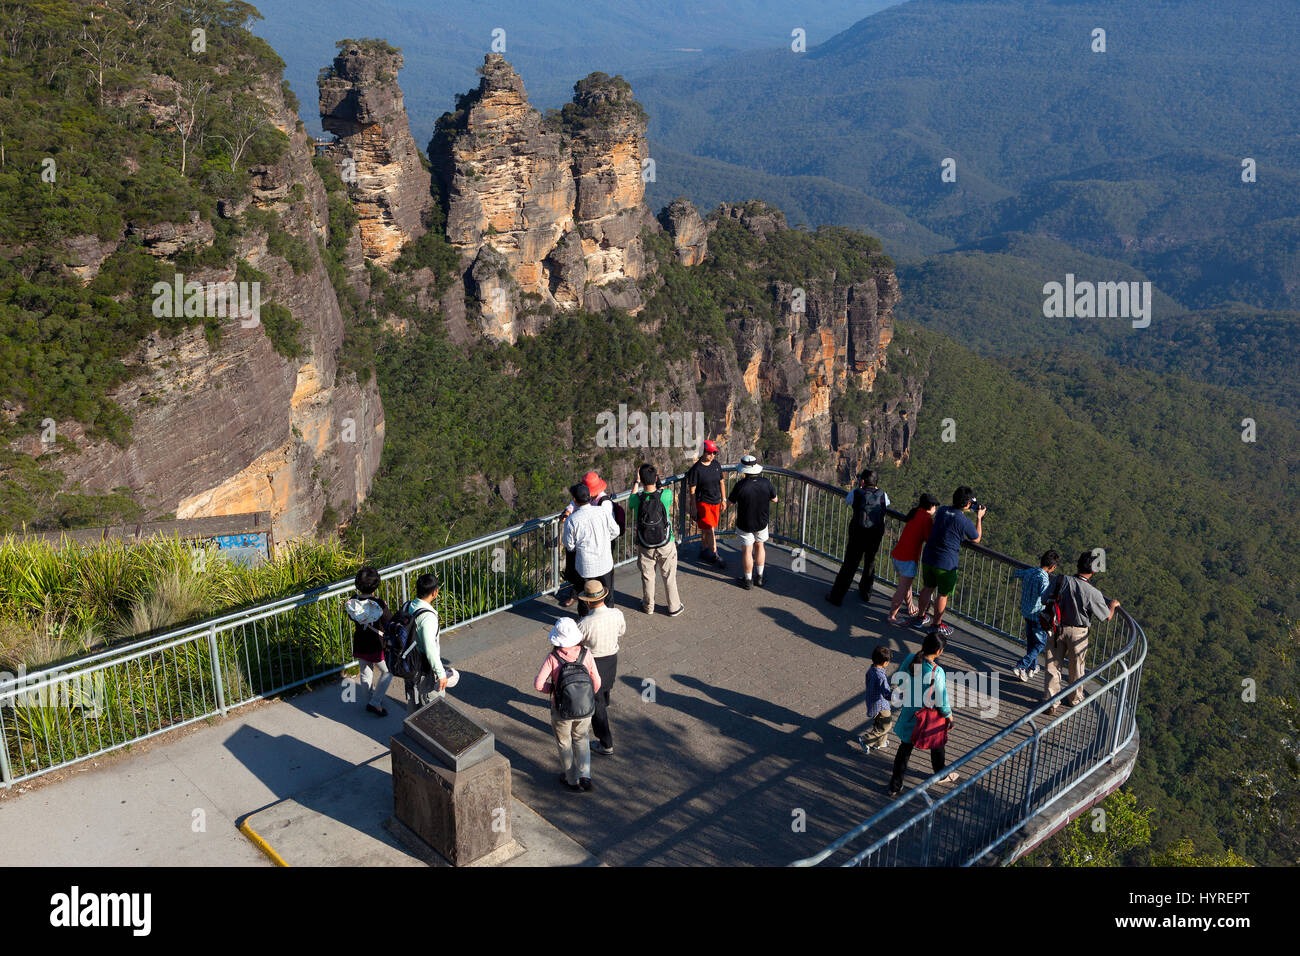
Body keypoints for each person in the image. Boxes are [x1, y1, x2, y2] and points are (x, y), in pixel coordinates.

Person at [1044, 551, 1121, 715]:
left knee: (1052, 665)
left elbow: (1045, 598)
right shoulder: (1093, 592)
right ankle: (1074, 699)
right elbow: (1106, 617)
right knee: (1077, 667)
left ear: (1077, 565)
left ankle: (1051, 702)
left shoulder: (1060, 580)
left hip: (1056, 627)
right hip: (1078, 633)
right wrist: (1113, 605)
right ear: (1093, 571)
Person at [534, 617, 602, 792]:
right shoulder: (586, 654)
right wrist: (586, 695)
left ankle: (571, 779)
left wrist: (555, 689)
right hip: (585, 709)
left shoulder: (553, 658)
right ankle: (585, 775)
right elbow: (597, 682)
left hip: (561, 710)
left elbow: (538, 684)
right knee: (582, 738)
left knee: (564, 742)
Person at [888, 632, 961, 795]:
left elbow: (900, 681)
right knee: (938, 743)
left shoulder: (910, 659)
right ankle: (940, 773)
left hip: (910, 712)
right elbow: (941, 699)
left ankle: (895, 785)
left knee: (904, 749)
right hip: (928, 717)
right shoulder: (937, 671)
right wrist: (949, 716)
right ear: (939, 651)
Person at [911, 486, 986, 639]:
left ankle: (920, 617)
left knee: (927, 588)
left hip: (929, 556)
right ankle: (936, 625)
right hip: (946, 563)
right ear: (967, 504)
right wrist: (979, 517)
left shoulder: (942, 510)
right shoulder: (963, 520)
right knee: (942, 595)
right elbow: (976, 538)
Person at [826, 469, 890, 606]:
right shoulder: (883, 495)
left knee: (849, 565)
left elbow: (848, 502)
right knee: (870, 563)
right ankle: (866, 593)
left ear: (862, 481)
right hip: (875, 536)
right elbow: (886, 506)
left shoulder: (855, 493)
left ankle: (836, 597)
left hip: (858, 535)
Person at [576, 579, 626, 755]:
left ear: (588, 602)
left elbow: (577, 643)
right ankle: (605, 703)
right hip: (611, 658)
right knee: (605, 687)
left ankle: (606, 743)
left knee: (597, 703)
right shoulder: (617, 614)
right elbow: (622, 631)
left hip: (593, 663)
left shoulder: (584, 623)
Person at [628, 463, 684, 616]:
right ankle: (674, 607)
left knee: (648, 577)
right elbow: (665, 496)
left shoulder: (637, 499)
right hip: (666, 542)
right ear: (656, 478)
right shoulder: (665, 495)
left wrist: (636, 482)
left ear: (642, 480)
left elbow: (630, 501)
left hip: (645, 545)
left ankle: (648, 606)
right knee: (669, 576)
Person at [563, 480, 621, 620]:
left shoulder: (572, 520)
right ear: (589, 497)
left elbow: (569, 545)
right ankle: (608, 620)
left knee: (584, 597)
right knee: (607, 595)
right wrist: (603, 542)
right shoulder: (602, 512)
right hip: (605, 562)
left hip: (585, 567)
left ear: (575, 500)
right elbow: (616, 531)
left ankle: (585, 622)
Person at [344, 566, 393, 717]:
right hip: (376, 645)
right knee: (388, 671)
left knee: (365, 673)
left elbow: (353, 617)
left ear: (357, 584)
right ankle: (375, 702)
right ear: (376, 584)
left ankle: (370, 700)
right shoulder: (378, 604)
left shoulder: (352, 602)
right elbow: (389, 622)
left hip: (360, 643)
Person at [402, 572, 453, 713]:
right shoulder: (428, 617)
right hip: (423, 666)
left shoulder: (406, 606)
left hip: (408, 661)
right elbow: (430, 648)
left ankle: (412, 729)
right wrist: (441, 673)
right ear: (435, 592)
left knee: (412, 698)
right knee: (434, 702)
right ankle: (432, 732)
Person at [887, 493, 940, 623]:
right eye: (935, 506)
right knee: (902, 589)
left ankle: (910, 607)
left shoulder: (915, 512)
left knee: (906, 585)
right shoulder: (926, 519)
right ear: (931, 506)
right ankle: (892, 616)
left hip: (898, 554)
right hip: (908, 558)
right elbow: (929, 539)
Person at [728, 455, 778, 590]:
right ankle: (760, 577)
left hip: (745, 523)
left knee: (747, 550)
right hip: (761, 521)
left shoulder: (740, 485)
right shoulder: (766, 483)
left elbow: (731, 503)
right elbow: (775, 499)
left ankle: (748, 580)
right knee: (760, 546)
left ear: (744, 470)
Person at [1011, 550, 1060, 682]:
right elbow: (1045, 598)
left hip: (1026, 612)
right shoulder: (1043, 579)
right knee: (1039, 643)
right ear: (1053, 567)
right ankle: (1022, 665)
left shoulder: (1030, 572)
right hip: (1038, 615)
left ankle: (1032, 668)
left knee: (1032, 642)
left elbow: (1016, 573)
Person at [686, 440, 726, 565]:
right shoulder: (696, 469)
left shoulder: (716, 465)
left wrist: (724, 499)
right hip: (703, 503)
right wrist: (693, 507)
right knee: (710, 528)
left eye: (714, 452)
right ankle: (715, 553)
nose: (712, 455)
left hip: (716, 502)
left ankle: (704, 549)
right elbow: (692, 491)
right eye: (710, 453)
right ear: (703, 452)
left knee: (706, 528)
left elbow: (721, 482)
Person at [856, 645, 897, 754]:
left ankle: (880, 742)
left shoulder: (871, 669)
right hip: (881, 705)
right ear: (885, 662)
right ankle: (866, 740)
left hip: (872, 701)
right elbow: (887, 694)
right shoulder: (880, 676)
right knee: (886, 725)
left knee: (880, 723)